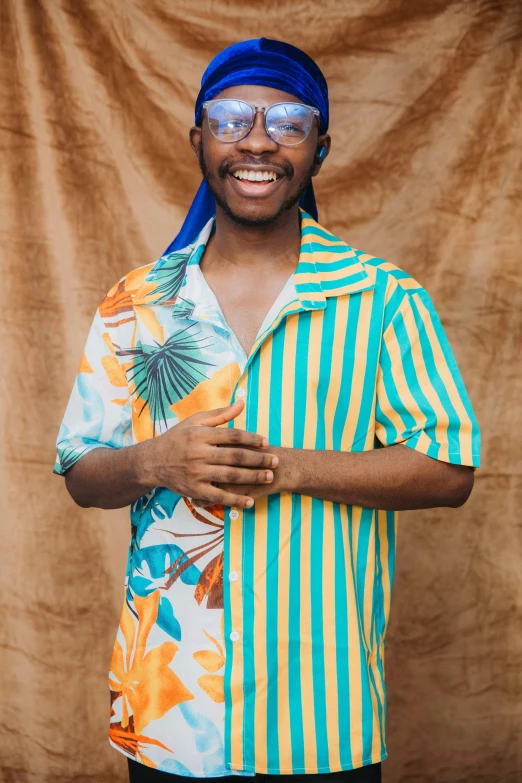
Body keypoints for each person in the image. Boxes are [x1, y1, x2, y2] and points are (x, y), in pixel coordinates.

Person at [54, 38, 480, 783]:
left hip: (322, 714)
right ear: (199, 141)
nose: (257, 139)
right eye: (230, 119)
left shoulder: (383, 299)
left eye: (287, 120)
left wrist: (286, 467)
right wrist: (156, 460)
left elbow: (448, 468)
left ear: (319, 148)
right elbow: (81, 471)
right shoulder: (138, 304)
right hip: (167, 711)